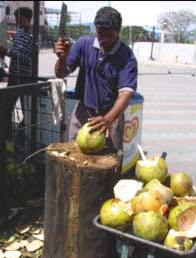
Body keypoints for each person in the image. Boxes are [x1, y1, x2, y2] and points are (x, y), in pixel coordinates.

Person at [54, 7, 138, 155]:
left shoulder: (127, 57)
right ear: (95, 29)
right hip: (83, 111)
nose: (103, 40)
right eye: (99, 34)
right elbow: (61, 74)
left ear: (118, 32)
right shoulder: (83, 44)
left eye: (109, 36)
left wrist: (108, 119)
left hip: (111, 115)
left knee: (110, 158)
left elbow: (126, 93)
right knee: (74, 154)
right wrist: (62, 58)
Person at [5, 7, 33, 143]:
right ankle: (9, 138)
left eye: (18, 19)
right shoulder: (18, 34)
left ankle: (21, 137)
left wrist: (10, 53)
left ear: (27, 19)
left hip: (25, 79)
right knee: (6, 108)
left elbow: (29, 59)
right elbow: (15, 52)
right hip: (13, 76)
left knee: (27, 112)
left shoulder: (33, 37)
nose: (16, 21)